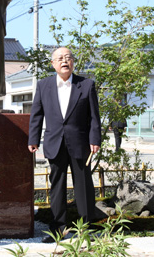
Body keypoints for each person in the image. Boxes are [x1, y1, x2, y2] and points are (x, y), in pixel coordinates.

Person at [28, 47, 102, 243]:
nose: (64, 61)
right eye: (60, 58)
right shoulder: (44, 85)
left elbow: (95, 117)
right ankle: (58, 229)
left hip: (80, 143)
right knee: (57, 187)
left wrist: (95, 140)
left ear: (73, 62)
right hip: (54, 142)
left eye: (68, 58)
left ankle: (85, 228)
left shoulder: (86, 85)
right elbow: (37, 114)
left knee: (84, 187)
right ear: (53, 64)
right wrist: (33, 139)